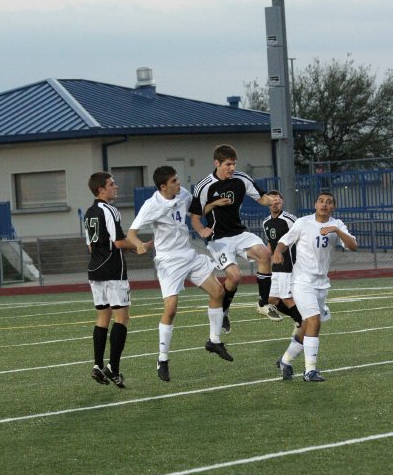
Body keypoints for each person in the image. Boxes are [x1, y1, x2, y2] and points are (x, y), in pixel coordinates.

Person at [127, 165, 232, 382]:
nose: (179, 183)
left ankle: (214, 340)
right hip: (168, 261)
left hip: (189, 254)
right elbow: (131, 233)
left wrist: (212, 204)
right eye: (174, 181)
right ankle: (162, 358)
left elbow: (196, 212)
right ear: (163, 186)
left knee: (218, 292)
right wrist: (138, 244)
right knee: (172, 309)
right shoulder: (151, 205)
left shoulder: (183, 194)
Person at [189, 143, 282, 334]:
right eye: (228, 164)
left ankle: (263, 304)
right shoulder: (203, 186)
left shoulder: (241, 179)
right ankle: (223, 311)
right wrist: (205, 222)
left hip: (239, 233)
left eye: (234, 164)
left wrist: (270, 200)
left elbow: (261, 198)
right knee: (235, 276)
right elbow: (195, 217)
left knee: (265, 255)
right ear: (217, 163)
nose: (232, 168)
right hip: (218, 238)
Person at [272, 190, 357, 382]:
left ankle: (285, 360)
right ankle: (309, 371)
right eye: (320, 201)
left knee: (306, 326)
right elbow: (285, 241)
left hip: (321, 284)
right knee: (314, 321)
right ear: (315, 204)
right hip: (302, 281)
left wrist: (336, 230)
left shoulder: (337, 224)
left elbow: (353, 246)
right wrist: (278, 252)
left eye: (328, 202)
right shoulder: (303, 222)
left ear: (333, 207)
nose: (324, 204)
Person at [84, 171, 151, 388]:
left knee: (102, 318)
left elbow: (91, 246)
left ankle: (97, 365)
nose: (116, 187)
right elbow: (119, 242)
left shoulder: (89, 212)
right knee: (121, 318)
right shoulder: (109, 210)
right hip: (113, 270)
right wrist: (140, 246)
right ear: (100, 189)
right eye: (112, 184)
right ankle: (113, 367)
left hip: (95, 269)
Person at [262, 190, 302, 334]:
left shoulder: (289, 219)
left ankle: (302, 323)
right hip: (276, 267)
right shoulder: (265, 222)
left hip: (289, 265)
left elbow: (301, 236)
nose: (275, 204)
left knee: (287, 298)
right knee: (271, 299)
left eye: (277, 201)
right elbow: (270, 244)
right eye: (272, 201)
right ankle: (300, 319)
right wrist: (265, 259)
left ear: (282, 202)